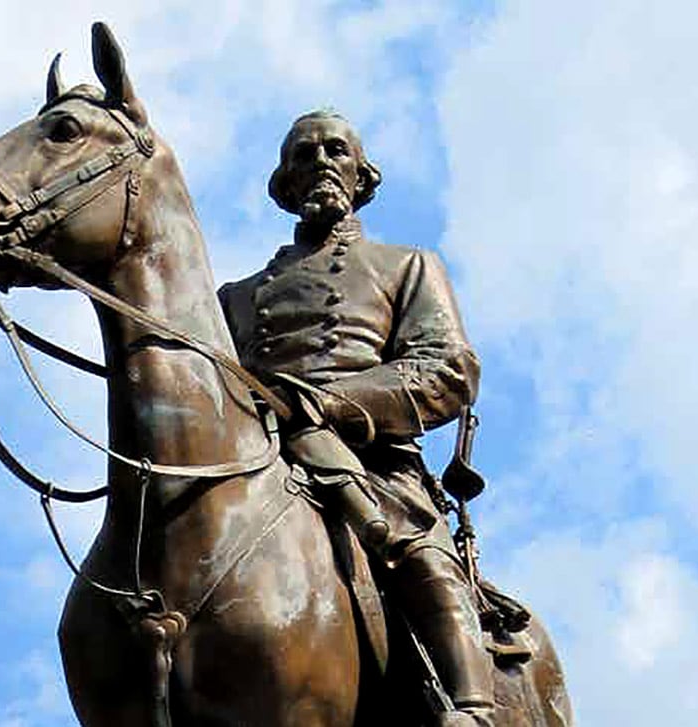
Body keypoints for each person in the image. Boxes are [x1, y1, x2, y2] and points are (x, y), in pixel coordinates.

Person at [218, 110, 494, 726]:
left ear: (360, 174)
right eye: (302, 155)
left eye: (334, 150)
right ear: (284, 183)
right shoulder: (234, 298)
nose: (319, 162)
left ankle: (473, 707)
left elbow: (447, 367)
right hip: (259, 460)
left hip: (372, 463)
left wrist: (333, 403)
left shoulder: (407, 266)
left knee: (422, 558)